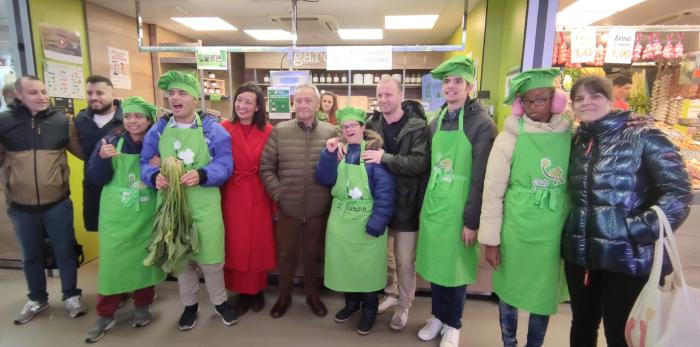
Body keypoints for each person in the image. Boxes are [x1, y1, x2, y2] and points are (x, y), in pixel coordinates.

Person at [563, 75, 692, 347]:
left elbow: (679, 193)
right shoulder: (576, 142)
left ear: (610, 99)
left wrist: (636, 230)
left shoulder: (644, 136)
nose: (587, 102)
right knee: (582, 325)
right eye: (579, 98)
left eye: (595, 96)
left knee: (622, 332)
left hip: (628, 258)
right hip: (582, 255)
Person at [479, 68, 571, 347]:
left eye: (541, 100)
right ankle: (509, 342)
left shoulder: (570, 135)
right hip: (516, 230)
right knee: (509, 290)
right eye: (527, 101)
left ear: (555, 100)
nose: (534, 107)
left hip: (553, 234)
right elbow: (492, 192)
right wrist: (491, 242)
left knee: (542, 295)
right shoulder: (508, 138)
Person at [140, 71, 237, 331]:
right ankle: (190, 305)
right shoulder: (158, 131)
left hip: (204, 204)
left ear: (195, 98)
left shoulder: (212, 130)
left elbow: (226, 163)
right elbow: (144, 163)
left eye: (181, 93)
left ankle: (219, 302)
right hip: (172, 206)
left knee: (212, 259)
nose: (175, 98)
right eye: (171, 93)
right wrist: (154, 176)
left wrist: (203, 173)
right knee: (181, 258)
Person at [415, 56, 497, 347]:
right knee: (438, 265)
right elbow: (428, 168)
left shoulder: (482, 124)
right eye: (447, 81)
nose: (451, 86)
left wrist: (471, 221)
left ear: (470, 85)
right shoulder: (435, 122)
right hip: (436, 206)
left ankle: (454, 323)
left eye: (457, 81)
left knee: (456, 268)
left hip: (461, 207)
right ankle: (437, 315)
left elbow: (480, 178)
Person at [0, 76, 86, 324]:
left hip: (57, 202)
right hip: (20, 205)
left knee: (65, 251)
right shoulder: (5, 122)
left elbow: (82, 153)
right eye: (33, 92)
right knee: (31, 254)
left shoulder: (61, 121)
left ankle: (71, 295)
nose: (41, 97)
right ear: (18, 95)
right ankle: (37, 298)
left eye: (43, 91)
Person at [84, 96, 166, 342]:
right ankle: (105, 313)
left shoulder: (157, 143)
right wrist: (101, 158)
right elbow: (95, 179)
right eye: (128, 116)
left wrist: (161, 165)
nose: (133, 121)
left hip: (146, 212)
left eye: (138, 116)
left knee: (145, 259)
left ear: (149, 119)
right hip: (117, 215)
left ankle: (142, 305)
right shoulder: (110, 141)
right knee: (112, 265)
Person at [315, 106, 395, 335]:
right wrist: (328, 154)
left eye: (353, 125)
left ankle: (369, 310)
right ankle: (351, 305)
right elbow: (324, 178)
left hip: (367, 223)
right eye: (345, 126)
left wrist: (377, 223)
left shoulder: (373, 154)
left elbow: (386, 193)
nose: (349, 129)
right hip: (341, 223)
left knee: (367, 272)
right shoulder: (338, 152)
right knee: (347, 268)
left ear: (363, 128)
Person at [260, 83, 336, 319]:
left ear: (317, 103)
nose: (303, 105)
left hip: (318, 206)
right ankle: (284, 295)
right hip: (288, 207)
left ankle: (312, 294)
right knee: (287, 254)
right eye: (299, 101)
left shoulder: (330, 132)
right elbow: (266, 167)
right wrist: (278, 193)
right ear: (294, 104)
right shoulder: (280, 131)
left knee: (314, 253)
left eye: (308, 100)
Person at [364, 76, 430, 331]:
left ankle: (404, 305)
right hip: (379, 202)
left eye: (388, 95)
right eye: (379, 95)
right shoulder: (372, 122)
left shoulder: (417, 127)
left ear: (400, 96)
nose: (383, 100)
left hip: (406, 203)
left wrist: (385, 158)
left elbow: (419, 163)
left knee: (404, 259)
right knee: (385, 257)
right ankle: (390, 294)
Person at [221, 83, 276, 316]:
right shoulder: (223, 128)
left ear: (257, 107)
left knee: (258, 242)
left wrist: (275, 200)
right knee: (235, 242)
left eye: (248, 102)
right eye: (239, 100)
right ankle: (241, 292)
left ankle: (257, 289)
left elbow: (275, 165)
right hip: (231, 191)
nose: (242, 105)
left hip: (258, 190)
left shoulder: (269, 131)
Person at [75, 75, 124, 231]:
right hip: (93, 188)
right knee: (101, 230)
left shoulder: (128, 118)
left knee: (124, 229)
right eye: (89, 93)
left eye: (100, 93)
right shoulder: (80, 119)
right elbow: (78, 149)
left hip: (121, 185)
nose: (94, 97)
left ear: (112, 94)